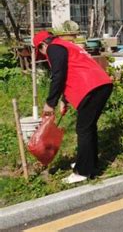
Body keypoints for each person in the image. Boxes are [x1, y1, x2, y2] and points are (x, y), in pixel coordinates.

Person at [33, 30, 113, 184]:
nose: (44, 55)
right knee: (88, 128)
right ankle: (89, 163)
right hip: (100, 85)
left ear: (43, 45)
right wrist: (65, 99)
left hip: (91, 88)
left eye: (41, 52)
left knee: (83, 129)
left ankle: (83, 172)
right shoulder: (66, 45)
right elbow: (71, 70)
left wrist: (51, 103)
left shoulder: (53, 48)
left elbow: (58, 74)